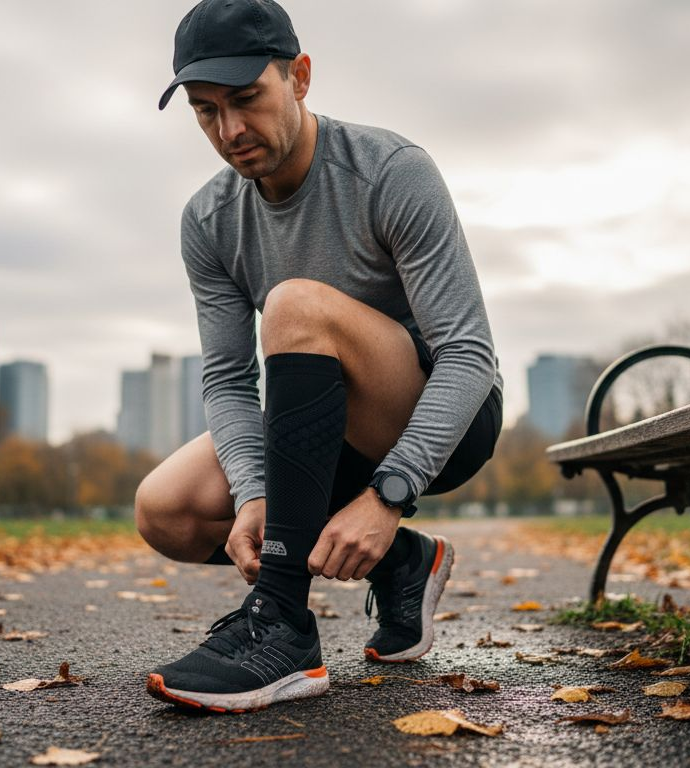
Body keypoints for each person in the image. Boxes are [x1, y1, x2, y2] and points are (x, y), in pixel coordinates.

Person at [137, 0, 504, 712]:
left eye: (247, 98)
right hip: (316, 430)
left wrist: (389, 497)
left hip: (439, 418)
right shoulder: (208, 221)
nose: (230, 130)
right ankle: (404, 564)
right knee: (167, 509)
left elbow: (467, 354)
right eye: (206, 111)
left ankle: (281, 625)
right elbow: (228, 380)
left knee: (294, 305)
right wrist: (253, 494)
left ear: (299, 77)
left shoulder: (390, 171)